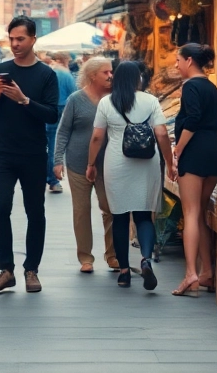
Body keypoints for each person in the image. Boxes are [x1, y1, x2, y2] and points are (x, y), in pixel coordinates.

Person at [0, 17, 60, 293]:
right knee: (0, 209)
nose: (15, 44)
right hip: (2, 153)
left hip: (33, 154)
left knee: (35, 212)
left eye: (21, 39)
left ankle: (31, 270)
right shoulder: (1, 70)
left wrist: (24, 100)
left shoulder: (46, 74)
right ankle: (6, 269)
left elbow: (52, 114)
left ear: (33, 39)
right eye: (11, 39)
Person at [86, 61, 173, 291]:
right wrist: (170, 163)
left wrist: (91, 164)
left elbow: (97, 137)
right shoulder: (151, 101)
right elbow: (162, 133)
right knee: (144, 215)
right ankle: (145, 259)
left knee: (120, 216)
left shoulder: (107, 102)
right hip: (147, 164)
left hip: (117, 164)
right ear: (138, 79)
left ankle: (124, 272)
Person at [168, 43, 217, 296]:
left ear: (189, 61)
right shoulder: (211, 86)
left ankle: (191, 272)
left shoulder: (191, 86)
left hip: (194, 149)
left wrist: (178, 149)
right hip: (214, 148)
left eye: (178, 60)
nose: (176, 65)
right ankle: (208, 272)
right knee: (200, 211)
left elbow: (192, 119)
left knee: (190, 212)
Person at [53, 56, 119, 272]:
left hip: (107, 164)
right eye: (106, 72)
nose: (111, 76)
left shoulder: (115, 99)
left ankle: (112, 255)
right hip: (77, 163)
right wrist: (57, 160)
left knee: (110, 209)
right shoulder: (75, 99)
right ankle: (86, 258)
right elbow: (63, 131)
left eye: (111, 72)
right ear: (92, 76)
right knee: (81, 210)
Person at [47, 52, 76, 193]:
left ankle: (51, 178)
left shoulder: (49, 72)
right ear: (65, 60)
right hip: (62, 108)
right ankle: (53, 178)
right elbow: (73, 93)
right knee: (57, 143)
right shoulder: (66, 75)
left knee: (50, 143)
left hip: (49, 108)